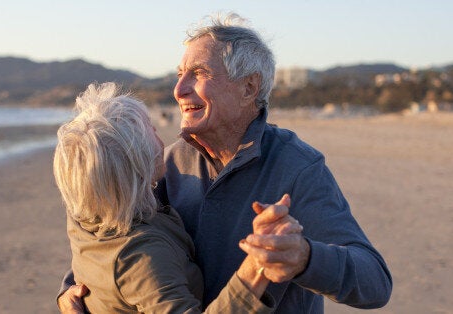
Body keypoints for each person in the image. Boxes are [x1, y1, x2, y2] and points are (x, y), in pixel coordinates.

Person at [59, 13, 392, 313]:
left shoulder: (296, 167)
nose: (178, 89)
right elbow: (113, 233)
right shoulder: (170, 162)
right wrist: (70, 291)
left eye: (198, 73)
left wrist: (304, 257)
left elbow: (374, 283)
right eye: (179, 74)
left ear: (249, 87)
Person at [53, 82, 302, 313]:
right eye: (151, 131)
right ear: (139, 165)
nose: (162, 139)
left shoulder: (84, 215)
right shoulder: (143, 260)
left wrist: (67, 290)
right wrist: (253, 271)